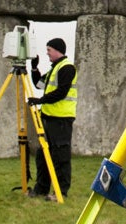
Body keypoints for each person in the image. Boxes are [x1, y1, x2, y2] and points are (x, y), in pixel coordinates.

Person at [27, 37, 77, 201]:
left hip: (61, 119)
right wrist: (34, 68)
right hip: (48, 118)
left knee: (61, 156)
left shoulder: (67, 68)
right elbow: (39, 85)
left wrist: (40, 101)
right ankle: (41, 189)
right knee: (43, 156)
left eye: (49, 50)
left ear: (57, 50)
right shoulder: (54, 69)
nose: (47, 53)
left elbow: (61, 92)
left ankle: (60, 192)